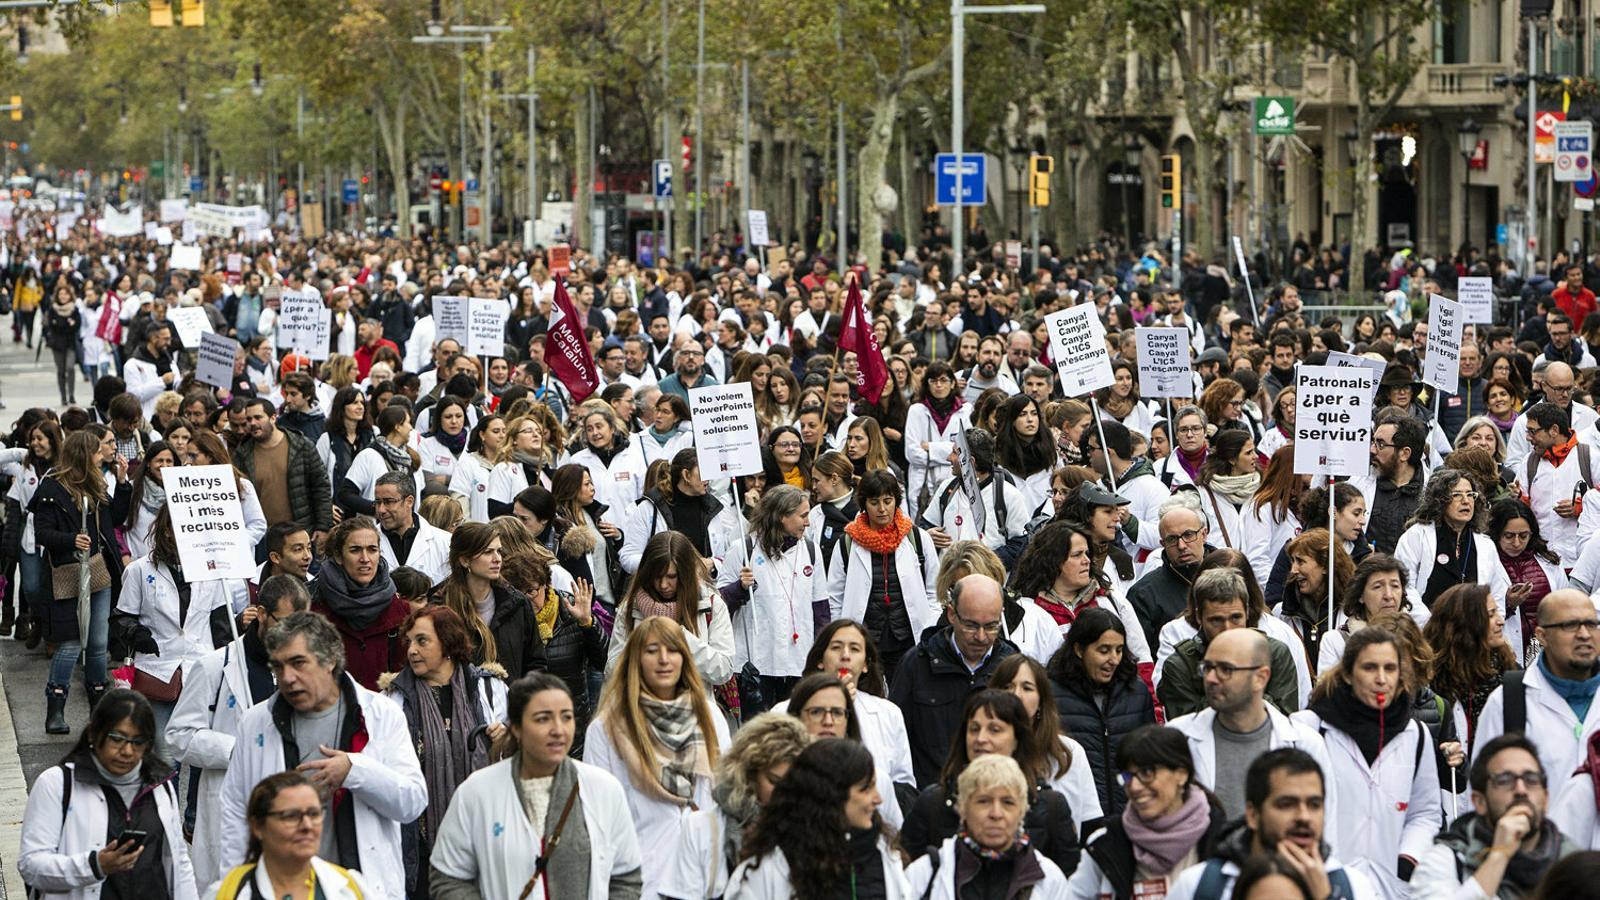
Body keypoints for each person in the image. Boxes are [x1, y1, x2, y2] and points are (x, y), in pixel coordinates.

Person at [217, 611, 426, 900]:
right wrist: (236, 886)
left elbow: (412, 802)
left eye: (298, 663)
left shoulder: (382, 714)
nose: (287, 678)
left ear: (329, 660)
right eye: (278, 667)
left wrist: (355, 770)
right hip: (278, 889)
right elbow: (237, 811)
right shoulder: (255, 722)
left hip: (356, 889)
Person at [428, 673, 645, 900]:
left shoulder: (604, 790)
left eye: (567, 717)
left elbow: (626, 877)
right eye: (543, 719)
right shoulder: (476, 793)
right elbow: (448, 878)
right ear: (517, 728)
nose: (558, 730)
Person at [167, 575, 311, 891]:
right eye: (285, 622)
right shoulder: (215, 667)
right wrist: (238, 749)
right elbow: (179, 736)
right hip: (233, 803)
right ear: (260, 613)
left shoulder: (305, 669)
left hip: (290, 808)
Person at [584, 616, 730, 898]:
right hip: (642, 877)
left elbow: (725, 794)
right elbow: (596, 816)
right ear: (636, 659)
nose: (664, 659)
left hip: (702, 876)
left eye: (673, 650)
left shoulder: (709, 716)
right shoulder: (607, 727)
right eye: (652, 651)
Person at [1289, 627, 1441, 897]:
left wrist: (1408, 858)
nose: (1381, 679)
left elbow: (1425, 813)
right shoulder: (1310, 730)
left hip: (1391, 886)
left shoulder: (1415, 735)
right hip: (1326, 884)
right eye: (1369, 668)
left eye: (1390, 668)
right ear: (1348, 673)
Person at [19, 688, 198, 900]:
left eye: (138, 742)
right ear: (94, 734)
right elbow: (31, 865)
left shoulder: (160, 784)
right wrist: (95, 865)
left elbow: (178, 861)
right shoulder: (56, 784)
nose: (127, 751)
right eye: (117, 738)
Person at [379, 606, 508, 898]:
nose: (411, 650)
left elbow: (516, 763)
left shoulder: (489, 689)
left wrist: (507, 741)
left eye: (422, 641)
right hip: (420, 843)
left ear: (448, 644)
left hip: (482, 836)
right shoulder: (393, 700)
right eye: (409, 642)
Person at [111, 504, 252, 756]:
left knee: (203, 749)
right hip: (158, 670)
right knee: (162, 753)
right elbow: (122, 617)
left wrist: (232, 664)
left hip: (200, 668)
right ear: (166, 531)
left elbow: (220, 626)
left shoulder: (212, 574)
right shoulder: (139, 571)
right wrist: (137, 634)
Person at [899, 689, 1081, 876]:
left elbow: (1070, 884)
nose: (981, 739)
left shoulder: (1051, 806)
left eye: (994, 730)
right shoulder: (932, 803)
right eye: (974, 729)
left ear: (1017, 739)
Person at [1166, 627, 1333, 821]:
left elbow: (1325, 825)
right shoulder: (1178, 737)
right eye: (1208, 668)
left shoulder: (1306, 744)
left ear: (1260, 678)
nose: (1211, 678)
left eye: (1225, 669)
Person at [1165, 748, 1378, 900]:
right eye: (1286, 804)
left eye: (1314, 804)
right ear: (1253, 815)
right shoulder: (1200, 887)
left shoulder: (1353, 888)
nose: (1304, 816)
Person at [33, 429, 132, 732]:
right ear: (84, 454)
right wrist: (70, 539)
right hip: (68, 573)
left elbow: (114, 518)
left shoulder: (96, 483)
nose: (104, 454)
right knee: (71, 643)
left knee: (99, 643)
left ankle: (98, 711)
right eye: (99, 450)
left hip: (98, 571)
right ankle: (56, 710)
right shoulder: (51, 488)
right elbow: (43, 533)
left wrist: (125, 484)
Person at [723, 738, 909, 897]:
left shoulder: (885, 854)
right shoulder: (766, 870)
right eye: (866, 788)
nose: (878, 799)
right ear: (831, 796)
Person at [658, 713, 811, 900]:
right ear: (749, 775)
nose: (784, 792)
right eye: (774, 781)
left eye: (793, 783)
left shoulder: (814, 833)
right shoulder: (702, 828)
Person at [1067, 726, 1229, 899]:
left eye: (1147, 773)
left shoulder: (1222, 841)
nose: (1134, 787)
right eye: (1128, 776)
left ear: (1181, 774)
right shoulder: (1107, 843)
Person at [890, 572, 1018, 788]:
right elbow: (895, 741)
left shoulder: (1012, 667)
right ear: (951, 614)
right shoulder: (917, 664)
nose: (981, 636)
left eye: (991, 626)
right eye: (971, 625)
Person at [1415, 733, 1579, 898]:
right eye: (1505, 780)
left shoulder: (1572, 863)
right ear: (1479, 802)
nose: (1521, 789)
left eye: (1531, 779)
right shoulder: (1446, 861)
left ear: (1546, 799)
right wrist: (1499, 855)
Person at [827, 470, 943, 684]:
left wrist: (930, 627)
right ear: (864, 504)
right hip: (864, 639)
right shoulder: (846, 544)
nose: (882, 509)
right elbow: (835, 597)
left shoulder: (918, 538)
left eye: (888, 501)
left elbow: (934, 591)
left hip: (908, 638)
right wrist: (840, 636)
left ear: (896, 502)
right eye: (874, 502)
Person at [1473, 590, 1600, 785]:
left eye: (1591, 624)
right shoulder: (1508, 703)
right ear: (1542, 636)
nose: (1584, 634)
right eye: (1570, 625)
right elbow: (1482, 789)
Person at [905, 754, 1074, 900]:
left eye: (1008, 802)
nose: (996, 813)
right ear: (962, 808)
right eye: (983, 801)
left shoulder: (1049, 879)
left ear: (1022, 811)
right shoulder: (924, 875)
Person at [718, 484, 825, 710]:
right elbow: (718, 605)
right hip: (756, 664)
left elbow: (821, 610)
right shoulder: (743, 549)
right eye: (803, 516)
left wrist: (820, 658)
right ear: (780, 517)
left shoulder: (812, 551)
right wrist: (739, 588)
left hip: (798, 662)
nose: (808, 522)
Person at [1050, 607, 1158, 817]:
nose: (1114, 659)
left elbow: (1149, 755)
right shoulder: (1052, 694)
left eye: (1119, 650)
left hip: (1130, 815)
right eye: (1104, 650)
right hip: (1077, 815)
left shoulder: (1135, 692)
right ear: (1079, 650)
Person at [1158, 570, 1301, 719]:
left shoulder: (1274, 654)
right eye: (1216, 620)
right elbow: (1189, 729)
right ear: (1199, 617)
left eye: (1236, 618)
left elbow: (1285, 722)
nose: (1227, 629)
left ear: (1246, 612)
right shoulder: (1180, 665)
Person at [607, 530, 735, 689]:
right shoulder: (631, 607)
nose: (663, 585)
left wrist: (679, 637)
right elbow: (612, 671)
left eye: (671, 576)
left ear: (685, 574)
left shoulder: (711, 604)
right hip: (643, 707)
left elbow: (723, 670)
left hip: (693, 708)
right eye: (657, 576)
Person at [429, 521, 546, 678]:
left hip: (509, 699)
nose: (497, 559)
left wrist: (522, 697)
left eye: (498, 551)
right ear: (465, 560)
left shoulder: (516, 603)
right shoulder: (440, 606)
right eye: (488, 552)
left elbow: (535, 662)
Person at [308, 516, 411, 690]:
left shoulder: (398, 610)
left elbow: (404, 673)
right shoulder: (313, 608)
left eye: (372, 550)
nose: (365, 559)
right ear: (339, 556)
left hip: (382, 711)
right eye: (355, 550)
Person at [621, 448, 740, 574]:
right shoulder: (649, 508)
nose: (709, 478)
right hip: (661, 590)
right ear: (686, 475)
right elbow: (628, 558)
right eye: (703, 472)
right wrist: (665, 566)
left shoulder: (713, 508)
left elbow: (725, 556)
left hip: (701, 590)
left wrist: (713, 564)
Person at [234, 398, 333, 549]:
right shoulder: (242, 454)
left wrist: (323, 526)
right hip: (261, 538)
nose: (252, 423)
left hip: (299, 534)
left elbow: (321, 487)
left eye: (258, 417)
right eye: (248, 419)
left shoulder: (301, 446)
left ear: (273, 418)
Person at [1515, 402, 1590, 571]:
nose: (1528, 437)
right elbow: (1523, 512)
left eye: (1533, 431)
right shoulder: (1529, 462)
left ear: (1554, 430)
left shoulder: (1589, 457)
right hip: (1541, 562)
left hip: (1581, 562)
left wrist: (1581, 507)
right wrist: (1518, 500)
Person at [1317, 553, 1420, 673]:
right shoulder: (1336, 641)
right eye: (1377, 587)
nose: (1388, 595)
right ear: (1361, 596)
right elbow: (1328, 690)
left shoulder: (1416, 639)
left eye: (1395, 586)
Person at [1275, 530, 1353, 673]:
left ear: (1325, 565)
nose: (1293, 570)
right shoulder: (1281, 614)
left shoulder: (1351, 614)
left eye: (1300, 561)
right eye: (1292, 561)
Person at [905, 361, 968, 517]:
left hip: (954, 481)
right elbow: (912, 454)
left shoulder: (965, 410)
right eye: (933, 381)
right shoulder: (916, 410)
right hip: (922, 486)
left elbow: (965, 451)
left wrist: (931, 448)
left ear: (953, 383)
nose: (938, 385)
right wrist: (950, 449)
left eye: (943, 380)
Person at [336, 404, 421, 520]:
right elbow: (346, 494)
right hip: (375, 532)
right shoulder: (368, 456)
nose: (411, 428)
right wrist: (377, 509)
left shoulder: (408, 458)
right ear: (397, 427)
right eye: (408, 422)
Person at [570, 406, 648, 512]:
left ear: (612, 428)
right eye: (589, 429)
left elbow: (643, 498)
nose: (595, 433)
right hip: (592, 526)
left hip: (629, 525)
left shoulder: (634, 457)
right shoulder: (577, 460)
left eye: (599, 426)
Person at [445, 413, 505, 524]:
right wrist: (471, 534)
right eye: (496, 431)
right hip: (478, 536)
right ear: (482, 435)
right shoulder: (468, 463)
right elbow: (460, 504)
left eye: (504, 431)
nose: (502, 436)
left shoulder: (511, 465)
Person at [805, 450, 858, 571]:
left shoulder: (865, 511)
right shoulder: (814, 514)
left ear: (834, 479)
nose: (813, 487)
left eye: (816, 481)